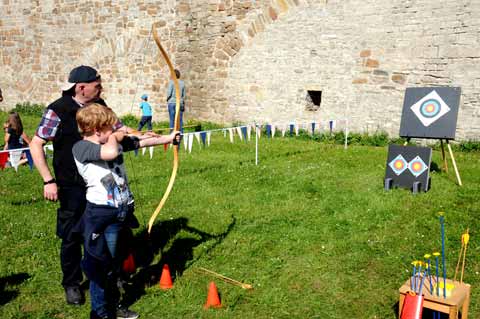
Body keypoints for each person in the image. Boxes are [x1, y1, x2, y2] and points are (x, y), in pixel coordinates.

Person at [29, 65, 133, 306]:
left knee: (110, 231)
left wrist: (153, 137)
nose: (101, 89)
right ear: (81, 87)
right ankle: (72, 283)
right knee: (72, 235)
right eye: (97, 85)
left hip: (102, 185)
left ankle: (110, 276)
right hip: (71, 184)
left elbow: (119, 131)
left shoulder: (101, 105)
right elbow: (36, 144)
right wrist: (48, 180)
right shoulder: (58, 109)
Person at [73, 103, 180, 319]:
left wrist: (169, 138)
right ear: (96, 130)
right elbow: (110, 152)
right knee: (99, 268)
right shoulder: (82, 147)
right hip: (99, 215)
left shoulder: (111, 140)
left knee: (115, 265)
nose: (114, 130)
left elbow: (141, 141)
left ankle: (115, 306)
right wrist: (117, 135)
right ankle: (101, 313)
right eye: (109, 127)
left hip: (119, 213)